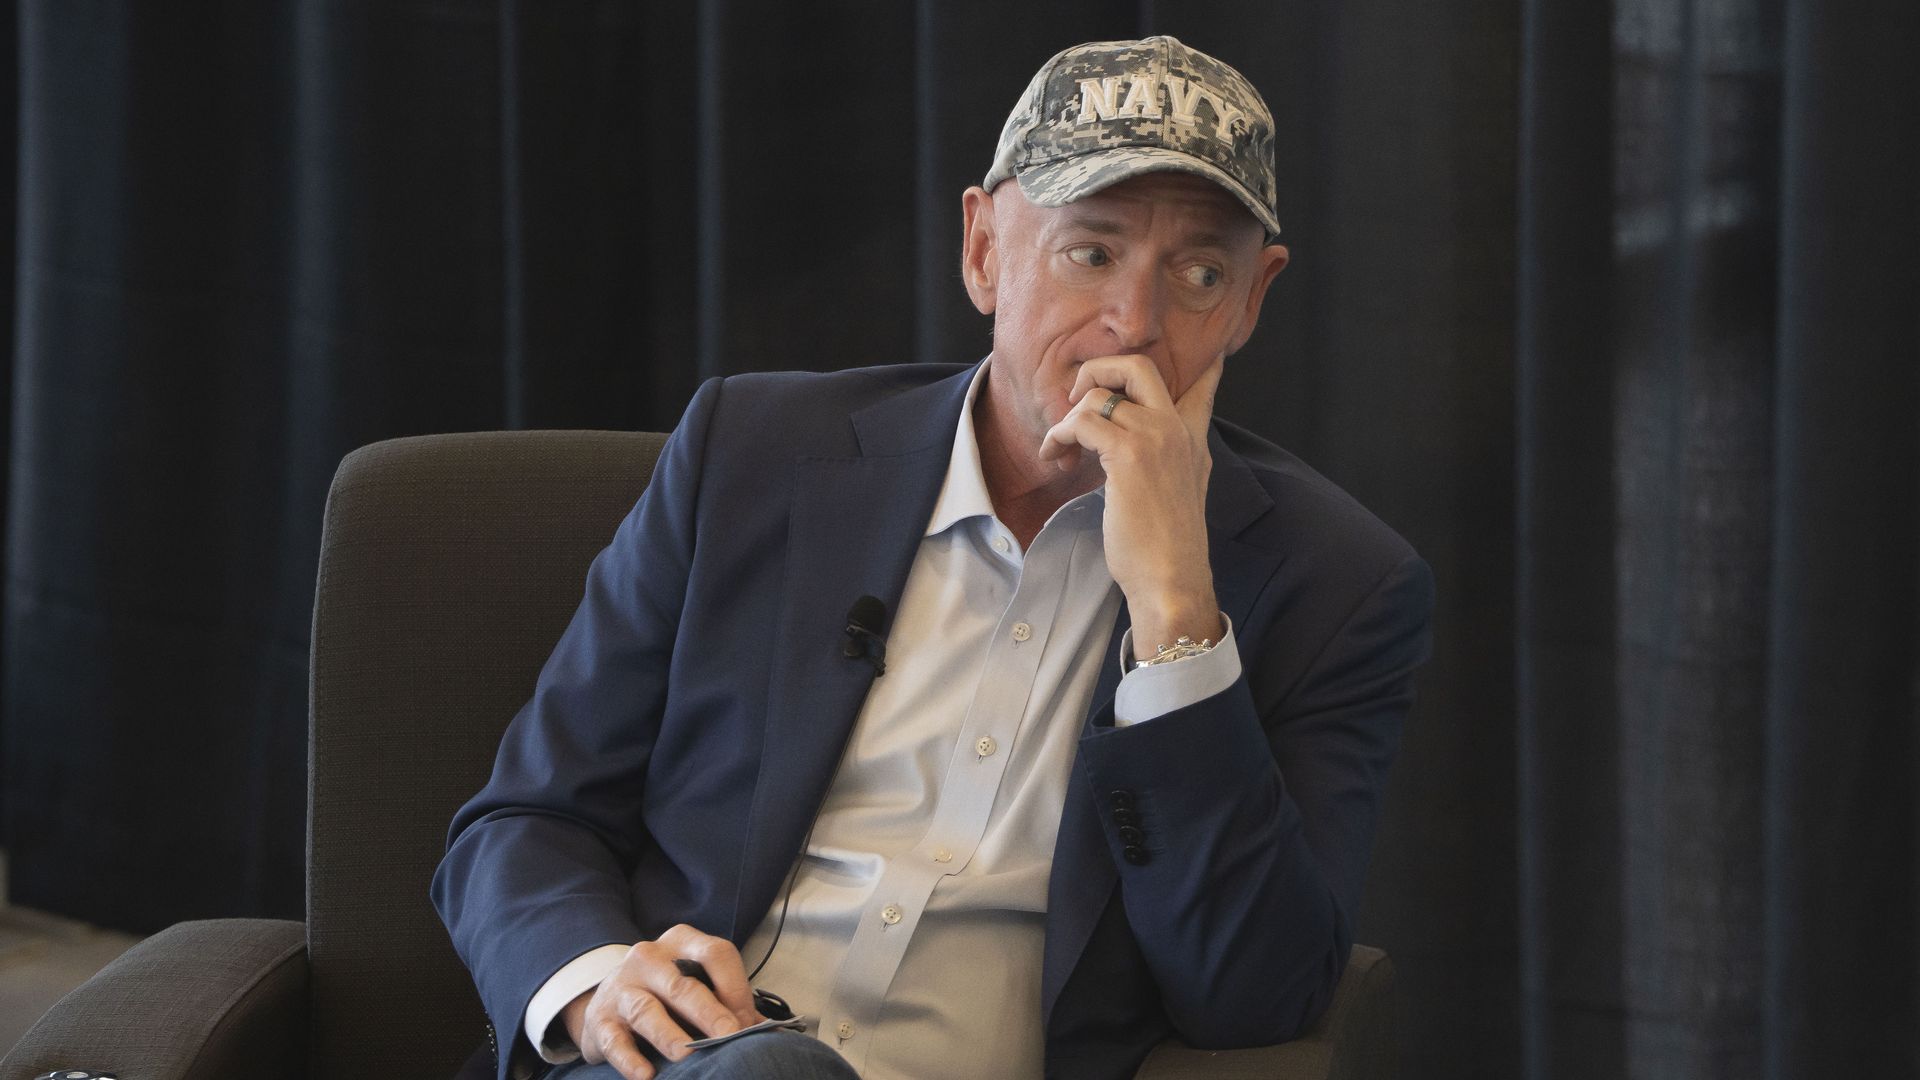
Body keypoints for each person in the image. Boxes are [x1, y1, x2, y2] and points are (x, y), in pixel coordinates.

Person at [434, 34, 1433, 1080]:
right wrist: (596, 987)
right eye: (1089, 253)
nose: (1131, 325)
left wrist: (1179, 618)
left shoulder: (1339, 587)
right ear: (985, 250)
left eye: (1198, 274)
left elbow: (1255, 996)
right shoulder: (753, 454)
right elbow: (527, 817)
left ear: (1250, 304)